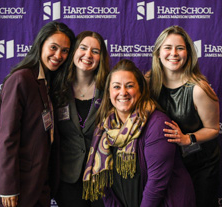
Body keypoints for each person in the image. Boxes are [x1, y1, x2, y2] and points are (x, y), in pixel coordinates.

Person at [0, 21, 75, 207]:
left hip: (38, 184)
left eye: (65, 51)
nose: (58, 55)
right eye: (53, 47)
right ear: (40, 44)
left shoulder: (47, 82)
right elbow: (7, 137)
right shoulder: (21, 79)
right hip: (17, 188)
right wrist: (8, 188)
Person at [82, 59, 196, 207]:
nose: (123, 92)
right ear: (109, 93)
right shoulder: (104, 127)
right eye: (116, 87)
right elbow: (104, 182)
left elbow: (157, 184)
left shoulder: (157, 124)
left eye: (129, 86)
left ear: (140, 90)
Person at [148, 25, 220, 207]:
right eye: (168, 47)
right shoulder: (148, 83)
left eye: (180, 48)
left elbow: (213, 128)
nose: (174, 53)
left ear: (188, 53)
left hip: (200, 167)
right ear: (158, 53)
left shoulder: (199, 89)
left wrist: (188, 138)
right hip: (166, 167)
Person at [52, 31, 110, 207]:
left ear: (101, 57)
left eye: (95, 51)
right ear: (74, 52)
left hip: (102, 177)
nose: (88, 55)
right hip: (68, 178)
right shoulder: (57, 88)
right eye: (83, 48)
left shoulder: (109, 88)